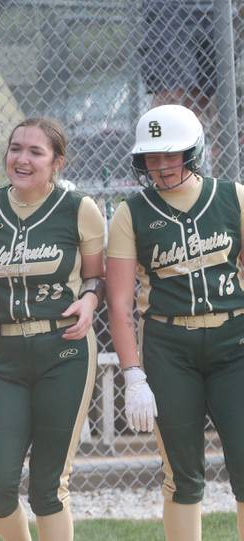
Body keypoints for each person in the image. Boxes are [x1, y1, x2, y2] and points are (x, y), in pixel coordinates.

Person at [107, 104, 244, 541]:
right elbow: (120, 302)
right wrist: (132, 374)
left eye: (172, 155)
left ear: (194, 151)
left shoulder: (233, 196)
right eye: (152, 157)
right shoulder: (132, 212)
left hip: (234, 342)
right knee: (182, 473)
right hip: (168, 346)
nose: (162, 166)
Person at [0, 117, 104, 541]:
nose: (21, 159)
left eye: (35, 152)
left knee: (48, 488)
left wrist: (90, 298)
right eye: (15, 148)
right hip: (6, 358)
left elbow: (96, 278)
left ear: (57, 162)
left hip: (63, 350)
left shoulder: (78, 208)